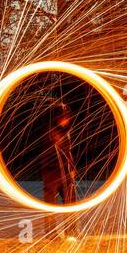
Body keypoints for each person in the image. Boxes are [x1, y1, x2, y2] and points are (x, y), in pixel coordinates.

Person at [40, 101, 77, 236]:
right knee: (51, 203)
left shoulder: (65, 132)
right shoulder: (51, 131)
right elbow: (57, 150)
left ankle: (71, 231)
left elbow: (68, 151)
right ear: (58, 117)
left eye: (68, 116)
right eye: (65, 116)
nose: (68, 119)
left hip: (65, 171)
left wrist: (72, 168)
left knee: (71, 200)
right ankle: (50, 232)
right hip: (51, 171)